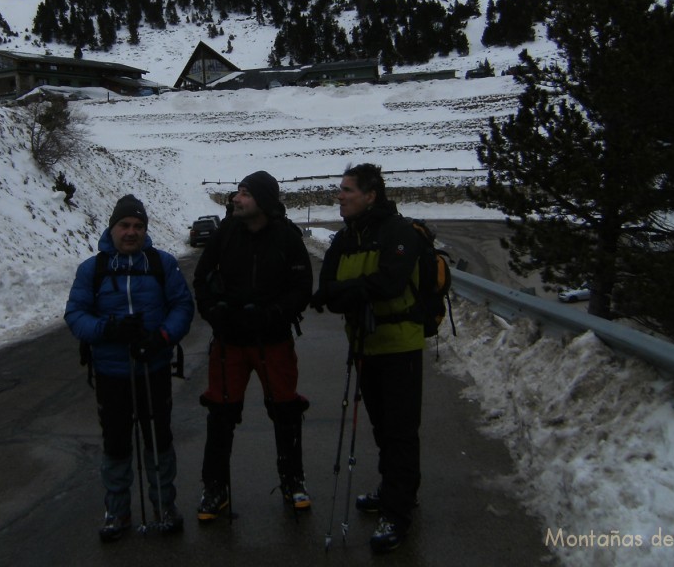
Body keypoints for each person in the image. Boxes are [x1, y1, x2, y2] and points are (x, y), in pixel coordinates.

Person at [64, 194, 195, 542]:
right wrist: (107, 329)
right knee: (116, 443)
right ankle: (117, 510)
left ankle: (165, 505)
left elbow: (183, 305)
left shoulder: (161, 264)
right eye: (125, 225)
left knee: (159, 439)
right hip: (112, 373)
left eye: (138, 226)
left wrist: (161, 338)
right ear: (112, 228)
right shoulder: (92, 270)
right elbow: (75, 315)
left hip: (152, 368)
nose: (131, 232)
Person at [311, 163, 423, 554]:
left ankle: (398, 510)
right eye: (339, 189)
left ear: (370, 195)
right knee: (380, 426)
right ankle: (394, 490)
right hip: (365, 346)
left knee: (400, 431)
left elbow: (390, 284)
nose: (339, 196)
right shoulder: (346, 238)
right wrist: (350, 293)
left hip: (400, 346)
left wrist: (348, 291)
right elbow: (325, 289)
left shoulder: (398, 232)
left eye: (347, 190)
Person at [193, 171, 314, 521]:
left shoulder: (286, 237)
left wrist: (274, 313)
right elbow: (201, 279)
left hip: (272, 339)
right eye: (237, 193)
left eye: (243, 193)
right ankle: (214, 487)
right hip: (230, 340)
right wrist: (216, 313)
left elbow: (301, 285)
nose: (236, 199)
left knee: (286, 413)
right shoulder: (225, 233)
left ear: (261, 200)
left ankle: (293, 481)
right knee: (220, 414)